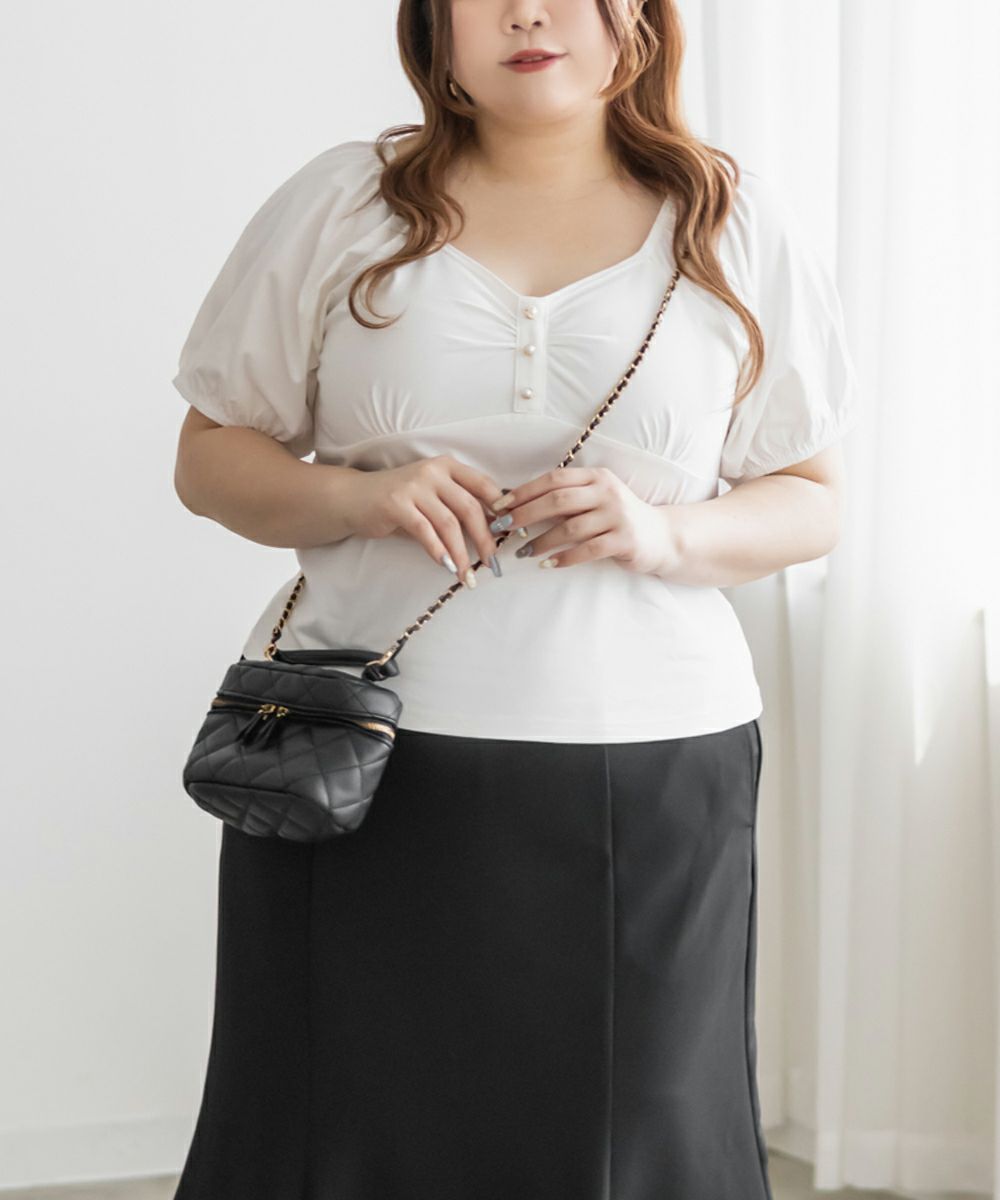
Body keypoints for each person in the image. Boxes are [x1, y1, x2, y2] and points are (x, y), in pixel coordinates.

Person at [168, 2, 859, 1197]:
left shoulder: (731, 219)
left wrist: (664, 531)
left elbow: (810, 499)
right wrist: (358, 496)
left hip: (647, 757)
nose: (526, 13)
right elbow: (209, 459)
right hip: (358, 755)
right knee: (334, 1125)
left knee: (633, 1138)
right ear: (435, 29)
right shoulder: (343, 201)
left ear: (634, 19)